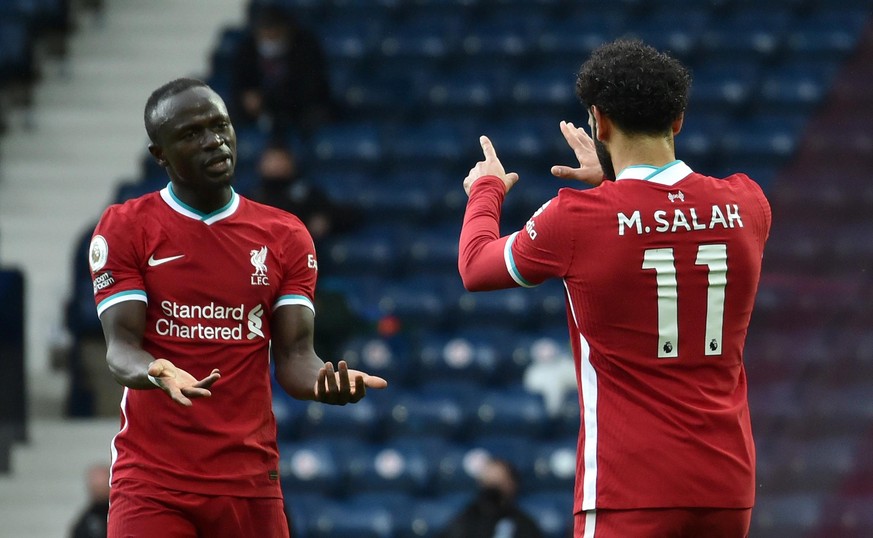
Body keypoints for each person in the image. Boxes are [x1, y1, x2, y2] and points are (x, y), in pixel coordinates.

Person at [458, 39, 771, 537]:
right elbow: (668, 222)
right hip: (727, 485)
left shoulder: (577, 218)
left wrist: (486, 190)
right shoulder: (749, 204)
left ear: (598, 122)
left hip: (629, 488)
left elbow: (475, 266)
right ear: (679, 120)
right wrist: (611, 181)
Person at [87, 77, 387, 537]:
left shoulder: (284, 235)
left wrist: (324, 382)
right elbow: (120, 349)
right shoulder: (126, 227)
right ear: (160, 155)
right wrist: (160, 371)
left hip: (249, 483)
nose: (215, 142)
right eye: (191, 134)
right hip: (153, 483)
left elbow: (294, 358)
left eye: (220, 126)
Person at [229, 4, 335, 138]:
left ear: (286, 31)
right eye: (266, 36)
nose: (270, 41)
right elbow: (239, 84)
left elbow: (311, 89)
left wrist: (267, 99)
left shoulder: (305, 47)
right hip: (258, 110)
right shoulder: (247, 49)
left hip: (298, 108)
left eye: (274, 35)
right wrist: (246, 98)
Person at [439, 457, 544, 538]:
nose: (492, 494)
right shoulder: (465, 521)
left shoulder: (523, 524)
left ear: (512, 485)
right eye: (488, 485)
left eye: (498, 485)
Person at [69, 463, 110, 538]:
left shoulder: (121, 514)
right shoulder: (85, 523)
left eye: (102, 484)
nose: (99, 489)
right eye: (97, 485)